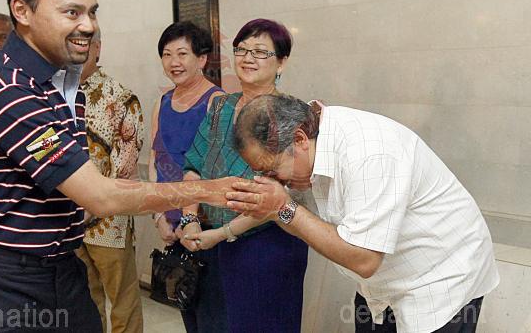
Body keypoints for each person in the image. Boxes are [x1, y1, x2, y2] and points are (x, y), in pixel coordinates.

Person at [0, 0, 234, 332]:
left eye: (92, 12)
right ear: (22, 11)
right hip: (3, 278)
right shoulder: (11, 90)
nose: (88, 26)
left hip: (60, 265)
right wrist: (215, 191)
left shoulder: (63, 82)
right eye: (71, 12)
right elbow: (100, 196)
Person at [229, 94, 500, 333]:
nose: (272, 179)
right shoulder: (313, 142)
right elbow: (292, 214)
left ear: (299, 139)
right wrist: (277, 209)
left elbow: (364, 260)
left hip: (440, 276)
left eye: (272, 169)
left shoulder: (370, 154)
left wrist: (283, 207)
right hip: (384, 282)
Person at [180, 19, 308, 333]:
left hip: (266, 244)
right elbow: (194, 165)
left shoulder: (292, 114)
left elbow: (277, 194)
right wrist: (189, 219)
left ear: (281, 62)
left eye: (260, 52)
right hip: (212, 242)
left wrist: (223, 233)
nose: (248, 58)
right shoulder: (220, 106)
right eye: (242, 49)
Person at [149, 21, 224, 332]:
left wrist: (188, 220)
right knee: (186, 310)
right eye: (167, 55)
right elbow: (155, 160)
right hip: (171, 224)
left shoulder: (217, 102)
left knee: (212, 318)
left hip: (207, 227)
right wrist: (159, 216)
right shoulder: (162, 101)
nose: (174, 62)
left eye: (182, 54)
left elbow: (216, 170)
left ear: (201, 58)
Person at [75, 29, 144, 333]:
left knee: (123, 302)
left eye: (84, 45)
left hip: (109, 221)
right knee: (83, 303)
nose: (76, 52)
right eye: (70, 44)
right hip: (66, 219)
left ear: (98, 48)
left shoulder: (121, 97)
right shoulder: (51, 96)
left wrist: (91, 205)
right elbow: (44, 149)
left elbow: (124, 167)